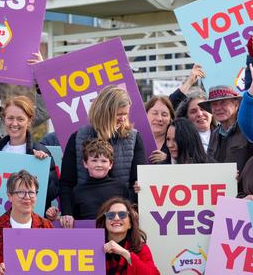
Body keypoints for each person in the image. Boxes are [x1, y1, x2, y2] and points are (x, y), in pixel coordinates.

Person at [59, 86, 146, 229]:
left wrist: (132, 210)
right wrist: (68, 212)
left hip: (120, 223)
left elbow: (137, 183)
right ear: (105, 112)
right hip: (85, 220)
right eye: (119, 114)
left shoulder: (134, 138)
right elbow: (67, 183)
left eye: (126, 114)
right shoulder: (78, 137)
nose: (123, 118)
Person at [0, 170, 53, 275]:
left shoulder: (47, 227)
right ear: (10, 196)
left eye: (31, 192)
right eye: (21, 192)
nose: (27, 197)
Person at [0, 96, 59, 209]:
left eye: (20, 119)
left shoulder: (41, 152)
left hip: (30, 221)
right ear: (4, 119)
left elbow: (53, 192)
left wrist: (42, 168)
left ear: (29, 121)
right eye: (10, 118)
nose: (14, 123)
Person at [67, 138, 132, 220]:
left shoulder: (120, 187)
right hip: (89, 232)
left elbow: (129, 217)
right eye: (94, 160)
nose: (99, 165)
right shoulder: (77, 191)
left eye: (104, 161)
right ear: (85, 163)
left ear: (110, 164)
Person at [200, 85, 253, 172]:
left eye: (223, 103)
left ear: (236, 104)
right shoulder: (214, 133)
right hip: (221, 184)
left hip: (245, 184)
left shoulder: (247, 129)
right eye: (214, 104)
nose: (218, 108)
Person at [95, 197, 160, 275]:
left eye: (122, 214)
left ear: (130, 224)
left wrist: (126, 254)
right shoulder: (93, 248)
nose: (116, 218)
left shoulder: (140, 248)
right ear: (105, 222)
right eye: (111, 215)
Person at [144, 96, 174, 164]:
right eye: (155, 113)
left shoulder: (177, 142)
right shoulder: (135, 140)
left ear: (170, 119)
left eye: (164, 115)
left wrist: (168, 160)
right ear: (145, 115)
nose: (159, 118)